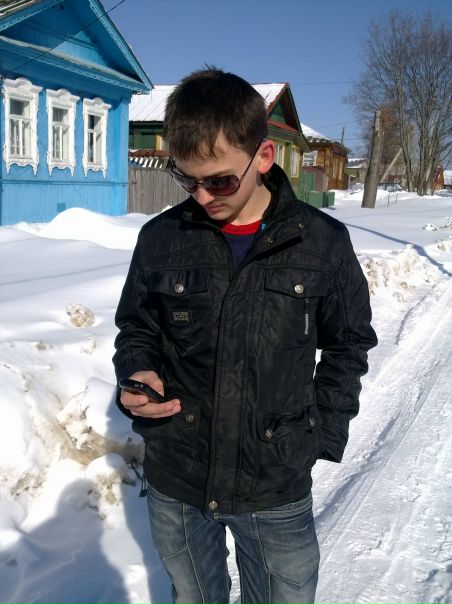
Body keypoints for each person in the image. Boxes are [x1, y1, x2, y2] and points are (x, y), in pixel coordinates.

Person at [113, 68, 377, 604]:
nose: (202, 195)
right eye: (187, 179)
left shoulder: (321, 243)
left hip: (274, 481)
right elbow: (137, 326)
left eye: (219, 181)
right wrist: (138, 371)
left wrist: (320, 432)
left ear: (264, 157)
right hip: (179, 476)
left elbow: (349, 343)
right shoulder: (161, 238)